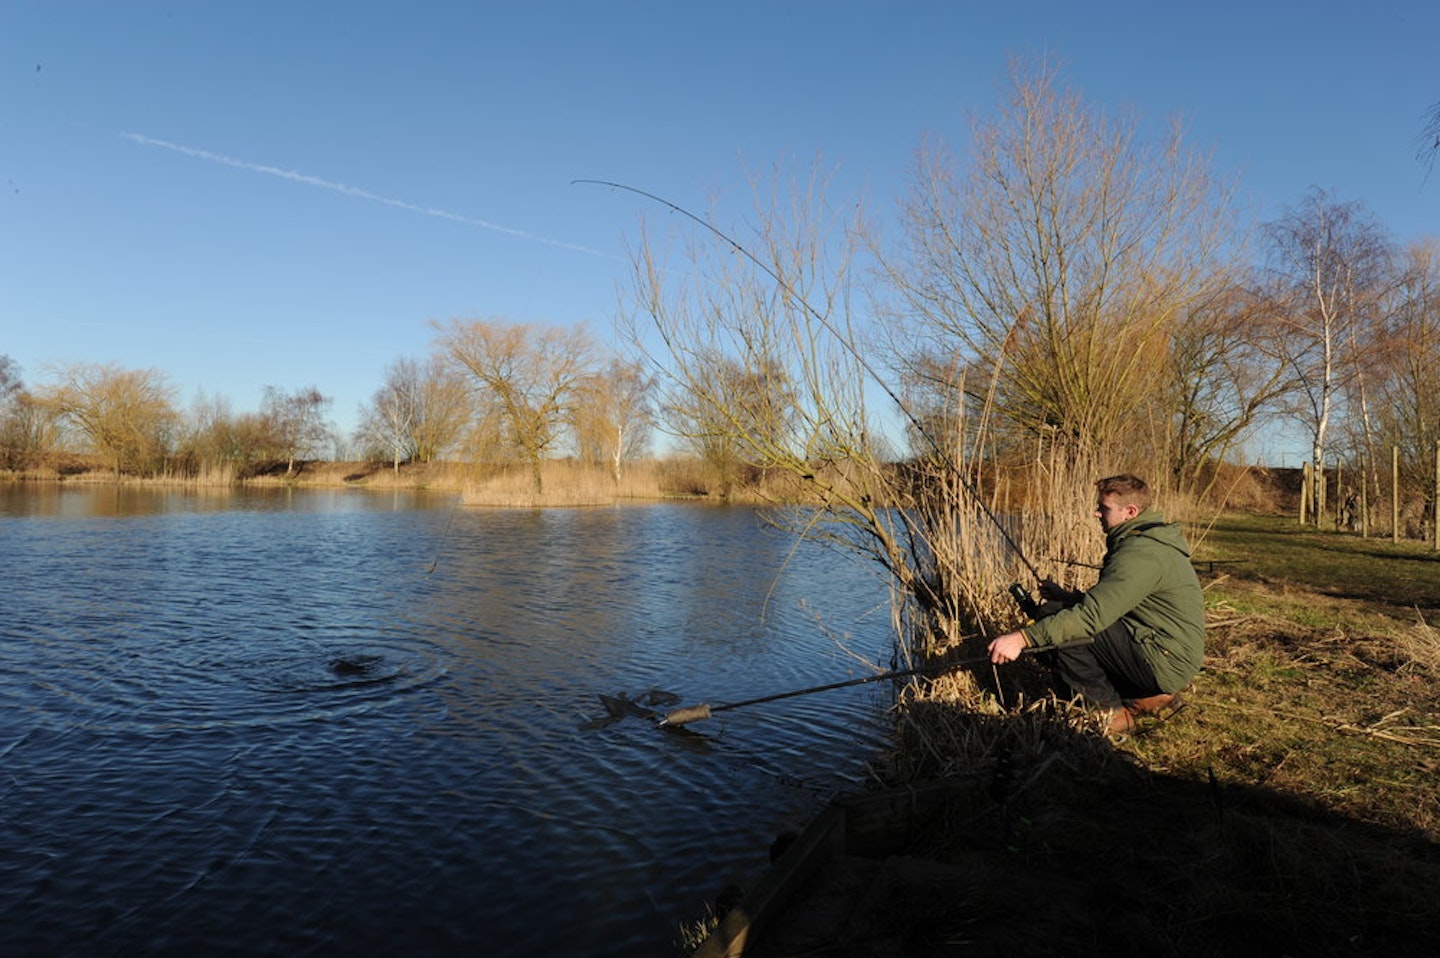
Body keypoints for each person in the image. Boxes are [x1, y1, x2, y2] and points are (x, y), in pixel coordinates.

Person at [987, 474, 1205, 736]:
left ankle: (1111, 715)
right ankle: (1147, 697)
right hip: (1163, 648)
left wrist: (1022, 638)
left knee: (1056, 626)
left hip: (1164, 659)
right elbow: (1116, 606)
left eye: (1104, 508)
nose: (1096, 513)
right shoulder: (1144, 542)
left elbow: (1091, 618)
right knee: (1058, 614)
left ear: (1130, 512)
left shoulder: (1141, 554)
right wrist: (1066, 597)